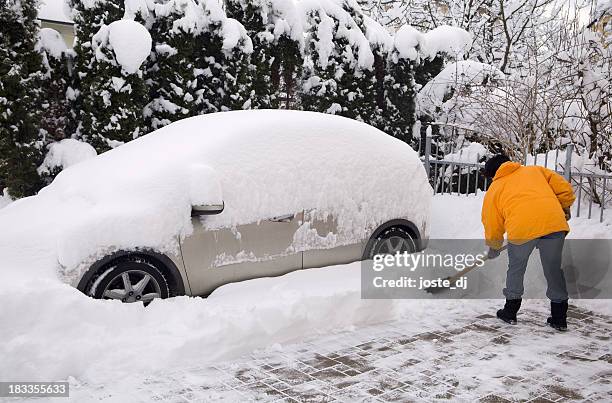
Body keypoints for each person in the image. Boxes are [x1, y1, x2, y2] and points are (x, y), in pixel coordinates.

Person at [481, 155, 575, 331]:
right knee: (553, 269)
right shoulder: (535, 170)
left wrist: (494, 246)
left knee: (516, 269)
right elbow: (565, 189)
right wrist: (563, 206)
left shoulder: (495, 188)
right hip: (553, 224)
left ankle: (510, 312)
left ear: (493, 173)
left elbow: (492, 222)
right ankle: (559, 318)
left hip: (522, 230)